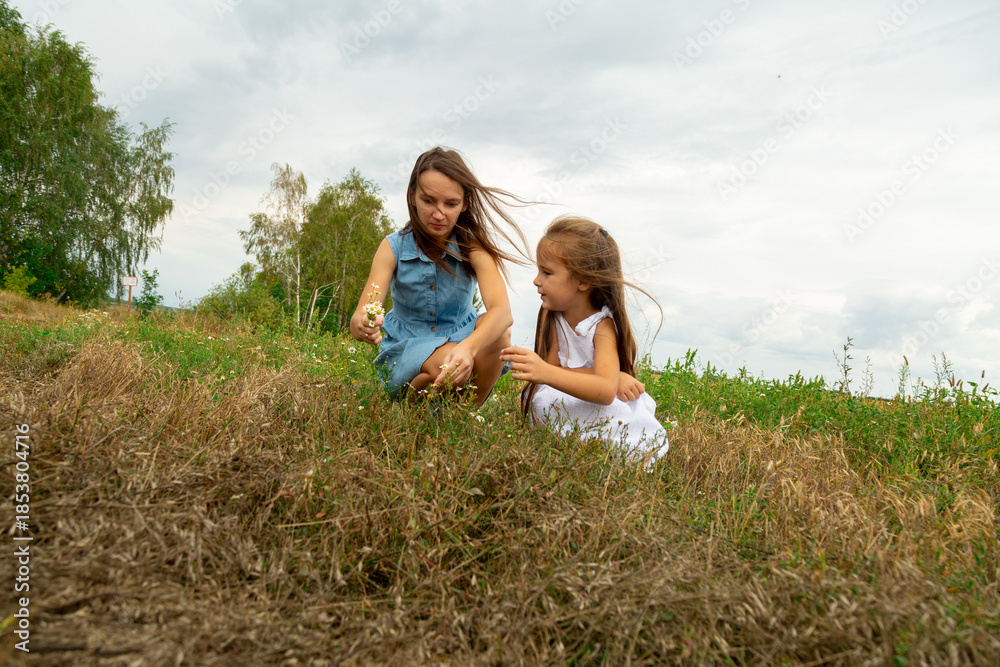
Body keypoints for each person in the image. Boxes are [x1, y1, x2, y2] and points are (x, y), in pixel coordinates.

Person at [350, 147, 530, 404]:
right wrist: (363, 326)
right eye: (428, 200)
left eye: (451, 204)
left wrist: (468, 348)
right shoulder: (392, 248)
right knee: (445, 366)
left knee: (499, 334)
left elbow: (502, 312)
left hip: (463, 344)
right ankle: (430, 398)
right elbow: (362, 313)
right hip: (407, 346)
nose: (438, 214)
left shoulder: (473, 247)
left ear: (464, 203)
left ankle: (463, 411)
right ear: (412, 196)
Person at [500, 216, 669, 464]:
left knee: (614, 411)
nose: (536, 280)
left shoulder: (602, 325)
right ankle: (575, 443)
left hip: (598, 400)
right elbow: (553, 374)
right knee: (541, 399)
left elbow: (603, 391)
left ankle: (601, 449)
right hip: (566, 391)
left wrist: (547, 371)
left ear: (583, 280)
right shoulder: (551, 315)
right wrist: (604, 376)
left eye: (547, 272)